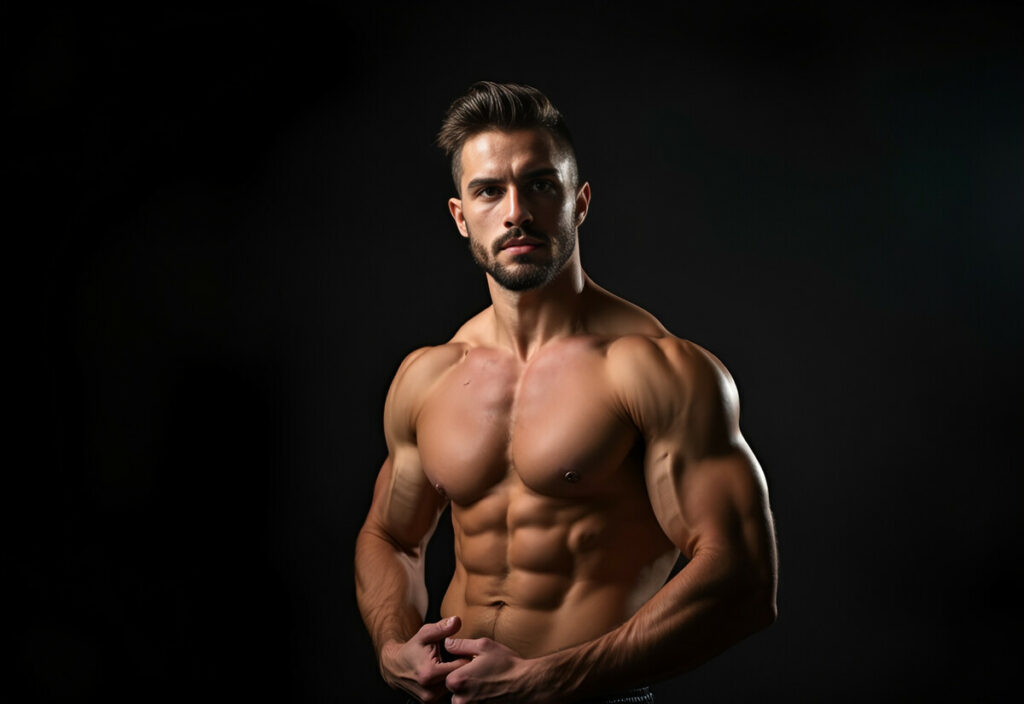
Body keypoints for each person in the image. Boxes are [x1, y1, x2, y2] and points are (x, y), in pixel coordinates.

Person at [355, 81, 778, 704]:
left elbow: (745, 579)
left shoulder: (655, 370)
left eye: (540, 184)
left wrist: (547, 678)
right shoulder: (429, 376)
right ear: (459, 215)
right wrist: (393, 646)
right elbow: (390, 537)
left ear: (579, 202)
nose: (516, 211)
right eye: (489, 190)